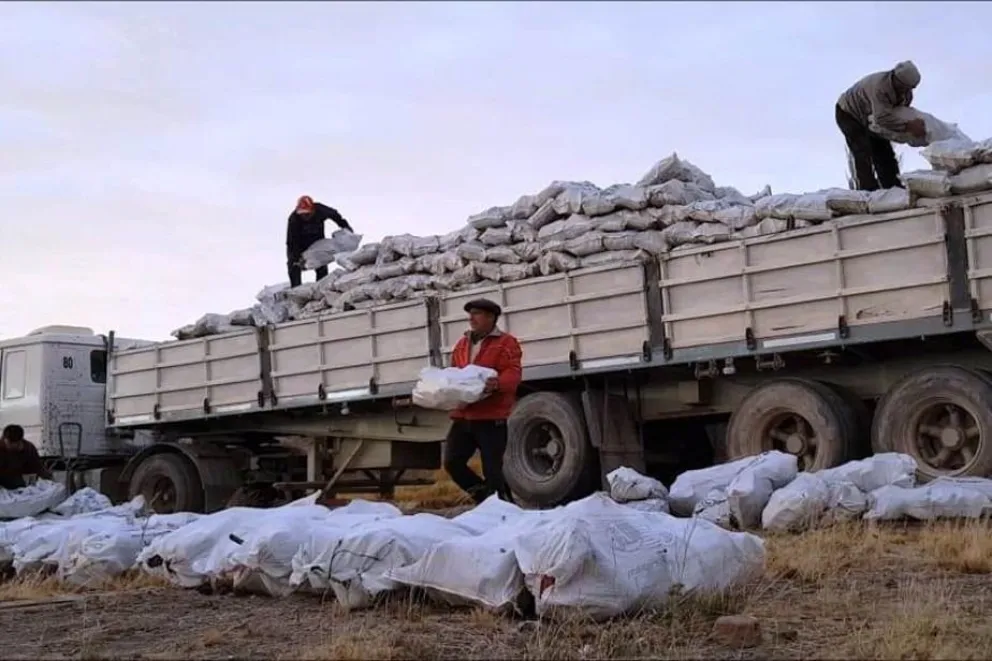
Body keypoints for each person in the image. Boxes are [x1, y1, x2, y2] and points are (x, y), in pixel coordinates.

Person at [443, 298, 523, 504]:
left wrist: (497, 384)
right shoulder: (462, 344)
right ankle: (484, 499)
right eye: (470, 314)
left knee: (493, 469)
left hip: (490, 417)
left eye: (476, 313)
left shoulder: (507, 343)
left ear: (490, 317)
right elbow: (454, 372)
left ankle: (503, 508)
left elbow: (513, 373)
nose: (471, 318)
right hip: (463, 415)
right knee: (452, 462)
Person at [836, 60, 926, 191]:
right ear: (896, 79)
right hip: (849, 113)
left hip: (870, 118)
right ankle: (868, 190)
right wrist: (908, 126)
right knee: (862, 150)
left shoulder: (906, 95)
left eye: (910, 88)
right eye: (904, 87)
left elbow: (898, 114)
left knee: (884, 151)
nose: (906, 91)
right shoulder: (880, 87)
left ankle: (893, 186)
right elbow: (882, 118)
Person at [286, 195, 354, 288]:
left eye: (307, 214)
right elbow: (291, 242)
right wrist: (296, 257)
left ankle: (321, 288)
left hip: (317, 241)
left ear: (313, 210)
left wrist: (344, 226)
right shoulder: (294, 219)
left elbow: (334, 214)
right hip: (299, 244)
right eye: (302, 214)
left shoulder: (320, 210)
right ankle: (296, 290)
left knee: (321, 264)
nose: (305, 217)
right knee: (294, 265)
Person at [0, 424, 52, 490]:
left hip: (19, 479)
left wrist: (48, 478)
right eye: (5, 440)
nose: (7, 445)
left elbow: (38, 467)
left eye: (10, 443)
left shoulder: (29, 448)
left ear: (18, 441)